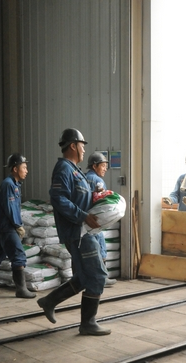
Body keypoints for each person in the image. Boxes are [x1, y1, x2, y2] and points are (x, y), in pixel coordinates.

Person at [37, 128, 111, 336]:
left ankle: (49, 301)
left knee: (85, 276)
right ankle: (88, 323)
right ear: (73, 145)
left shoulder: (75, 170)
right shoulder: (64, 169)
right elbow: (58, 199)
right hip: (78, 233)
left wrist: (97, 195)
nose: (84, 150)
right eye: (82, 145)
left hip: (84, 231)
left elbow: (78, 197)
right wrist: (83, 216)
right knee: (97, 275)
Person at [0, 154, 36, 299]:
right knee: (18, 255)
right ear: (15, 169)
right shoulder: (8, 184)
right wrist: (18, 225)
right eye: (24, 167)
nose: (26, 171)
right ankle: (21, 289)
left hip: (6, 226)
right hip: (7, 226)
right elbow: (10, 208)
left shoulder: (14, 184)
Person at [85, 151, 117, 287]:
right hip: (94, 219)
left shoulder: (84, 177)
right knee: (100, 247)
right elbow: (102, 201)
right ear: (94, 166)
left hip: (84, 218)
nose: (105, 169)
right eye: (103, 166)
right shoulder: (98, 181)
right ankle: (102, 278)